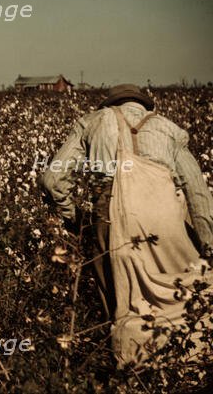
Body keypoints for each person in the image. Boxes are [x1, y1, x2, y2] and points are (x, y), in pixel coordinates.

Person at [41, 84, 213, 365]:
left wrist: (75, 219)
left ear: (109, 105)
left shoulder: (91, 122)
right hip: (165, 214)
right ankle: (185, 366)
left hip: (108, 215)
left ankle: (132, 372)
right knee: (182, 292)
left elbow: (52, 180)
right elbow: (197, 193)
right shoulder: (168, 129)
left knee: (121, 302)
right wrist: (208, 246)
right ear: (145, 106)